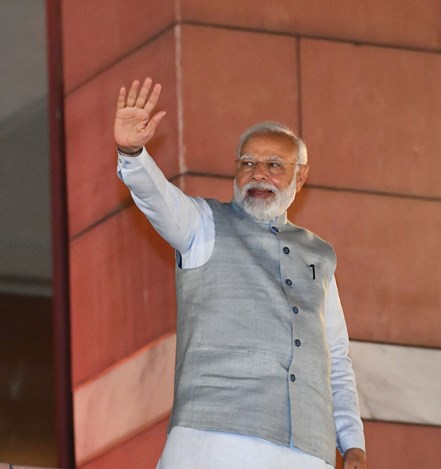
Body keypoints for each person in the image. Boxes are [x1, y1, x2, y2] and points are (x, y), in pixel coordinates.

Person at [114, 78, 367, 469]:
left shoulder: (320, 255)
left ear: (300, 178)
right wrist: (132, 153)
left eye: (274, 165)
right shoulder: (202, 225)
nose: (258, 174)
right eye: (247, 163)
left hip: (307, 453)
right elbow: (158, 199)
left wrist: (352, 443)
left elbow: (335, 357)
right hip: (213, 443)